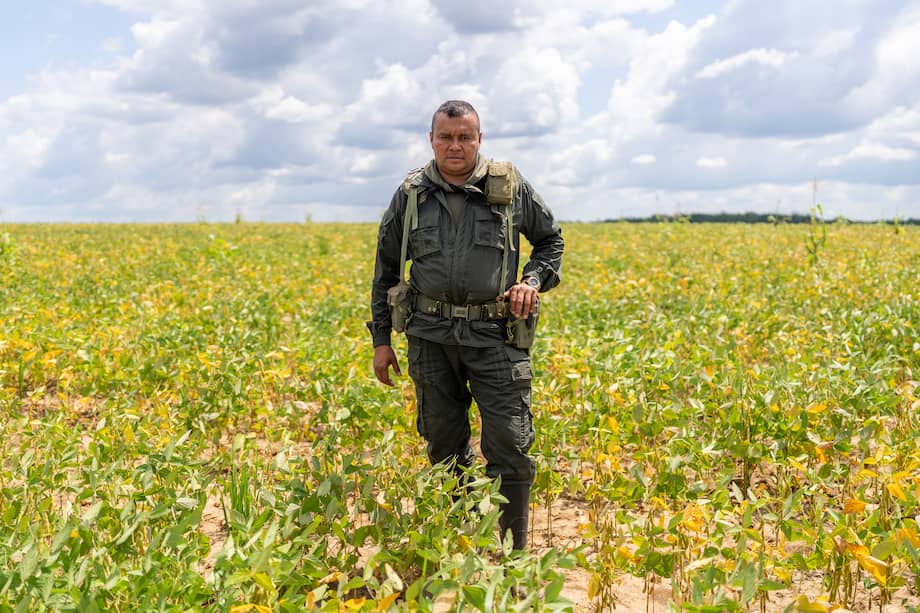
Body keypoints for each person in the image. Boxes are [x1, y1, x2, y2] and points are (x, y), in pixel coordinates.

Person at [368, 100, 564, 551]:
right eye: (446, 137)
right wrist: (382, 341)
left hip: (497, 336)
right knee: (442, 445)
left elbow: (551, 242)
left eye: (465, 137)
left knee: (510, 447)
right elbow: (385, 271)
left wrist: (531, 281)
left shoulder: (509, 187)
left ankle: (512, 556)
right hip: (430, 339)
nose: (455, 146)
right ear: (432, 140)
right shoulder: (411, 194)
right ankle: (463, 545)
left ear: (480, 139)